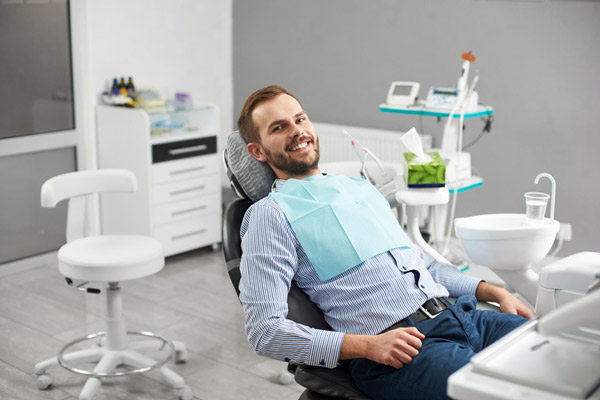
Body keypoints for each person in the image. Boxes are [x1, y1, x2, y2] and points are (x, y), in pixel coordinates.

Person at [236, 85, 534, 400]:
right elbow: (264, 332)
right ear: (258, 151)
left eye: (300, 119)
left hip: (461, 315)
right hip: (400, 351)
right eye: (279, 127)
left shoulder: (359, 188)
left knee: (560, 355)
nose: (297, 131)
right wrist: (367, 346)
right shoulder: (269, 215)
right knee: (510, 393)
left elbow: (425, 265)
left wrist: (494, 291)